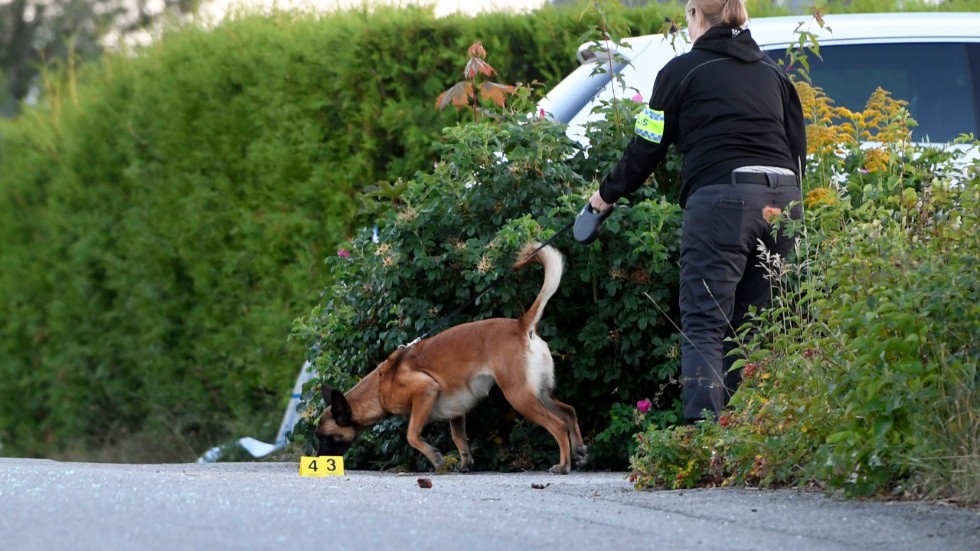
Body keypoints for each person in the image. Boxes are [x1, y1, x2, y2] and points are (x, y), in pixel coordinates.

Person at [585, 0, 807, 423]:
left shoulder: (681, 71)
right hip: (784, 201)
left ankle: (702, 442)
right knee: (753, 327)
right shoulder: (775, 75)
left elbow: (645, 149)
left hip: (723, 202)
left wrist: (603, 198)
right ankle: (750, 440)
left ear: (696, 16)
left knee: (705, 323)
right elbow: (798, 151)